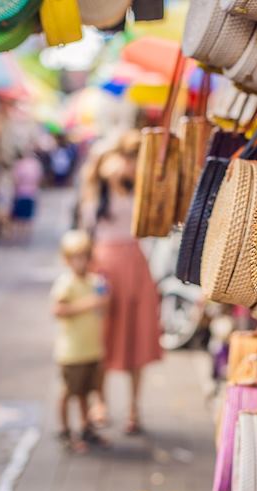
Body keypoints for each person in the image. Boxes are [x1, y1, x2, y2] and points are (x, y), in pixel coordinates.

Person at [79, 131, 162, 434]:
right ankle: (99, 402)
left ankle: (134, 409)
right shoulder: (93, 197)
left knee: (137, 336)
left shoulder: (137, 191)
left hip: (135, 267)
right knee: (104, 338)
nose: (120, 166)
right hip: (103, 270)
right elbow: (83, 238)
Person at [51, 230, 109, 451]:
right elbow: (58, 309)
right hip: (71, 351)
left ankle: (86, 428)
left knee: (86, 392)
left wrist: (102, 301)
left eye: (84, 256)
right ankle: (65, 431)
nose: (81, 262)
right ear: (67, 260)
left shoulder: (95, 281)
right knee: (68, 392)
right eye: (75, 257)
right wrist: (89, 304)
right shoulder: (66, 283)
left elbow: (103, 306)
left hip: (91, 348)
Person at [10, 149, 43, 242]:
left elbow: (15, 179)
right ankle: (25, 236)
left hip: (21, 192)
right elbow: (39, 178)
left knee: (19, 217)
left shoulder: (19, 164)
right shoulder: (35, 164)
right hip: (31, 192)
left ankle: (18, 236)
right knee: (28, 216)